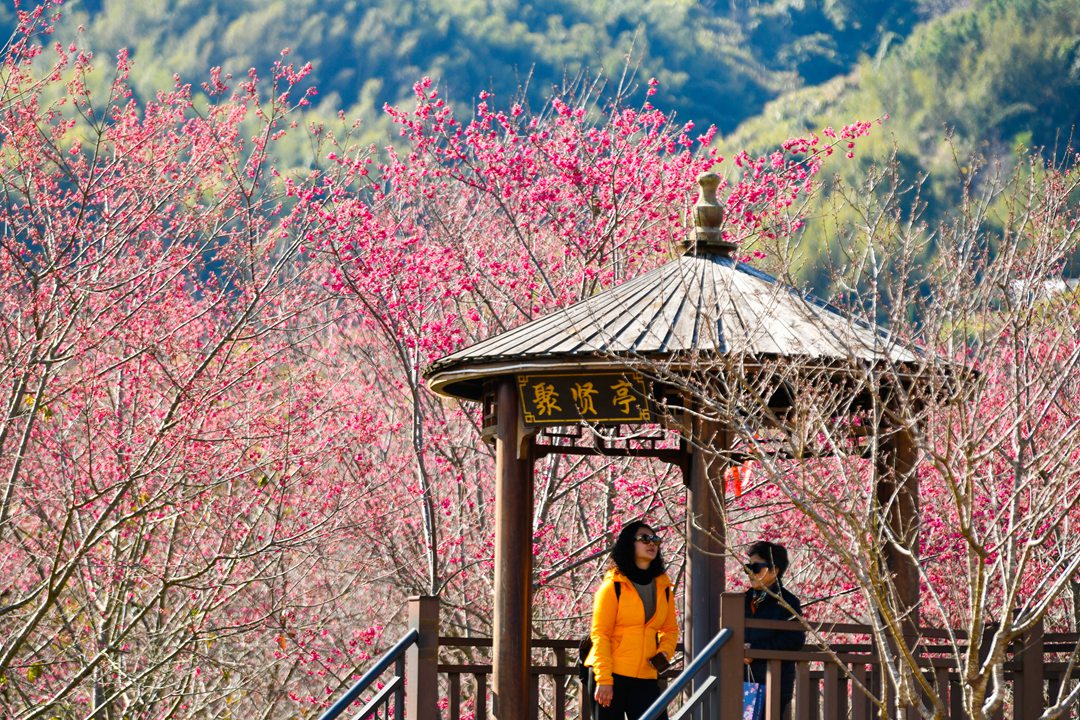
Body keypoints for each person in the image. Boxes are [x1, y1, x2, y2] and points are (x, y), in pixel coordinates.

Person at [584, 520, 679, 719]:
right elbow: (600, 634)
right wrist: (604, 679)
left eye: (655, 539)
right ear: (629, 543)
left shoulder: (663, 588)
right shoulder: (613, 586)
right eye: (645, 538)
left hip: (646, 676)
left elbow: (670, 630)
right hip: (612, 675)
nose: (652, 543)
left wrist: (663, 654)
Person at [743, 540, 805, 719]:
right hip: (743, 681)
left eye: (756, 568)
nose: (750, 573)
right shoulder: (742, 600)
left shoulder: (788, 602)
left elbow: (794, 640)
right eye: (748, 567)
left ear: (774, 570)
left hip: (773, 682)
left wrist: (755, 650)